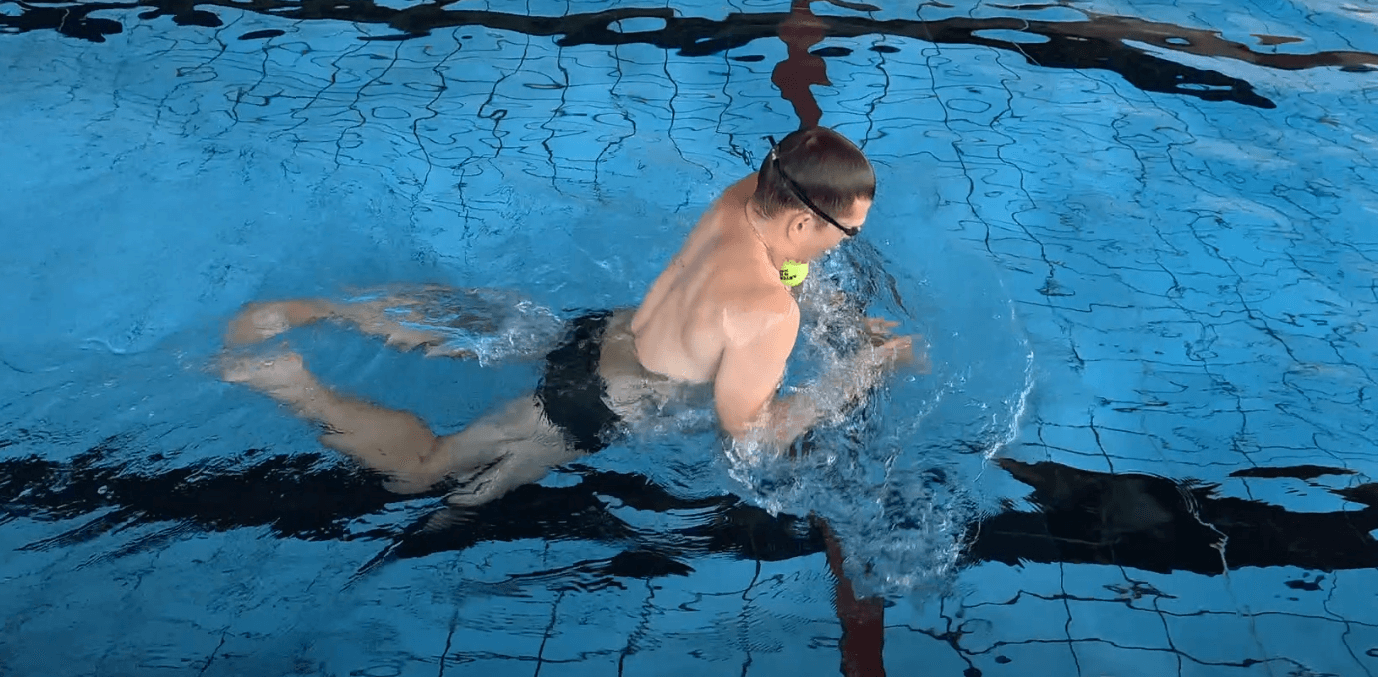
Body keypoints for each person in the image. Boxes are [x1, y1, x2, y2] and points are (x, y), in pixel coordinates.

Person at [222, 126, 913, 508]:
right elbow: (749, 439)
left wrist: (840, 314)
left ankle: (319, 309)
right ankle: (290, 383)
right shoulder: (767, 314)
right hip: (602, 401)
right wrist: (859, 372)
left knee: (468, 334)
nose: (843, 246)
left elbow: (786, 260)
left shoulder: (742, 198)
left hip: (599, 331)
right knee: (429, 473)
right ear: (800, 220)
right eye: (845, 234)